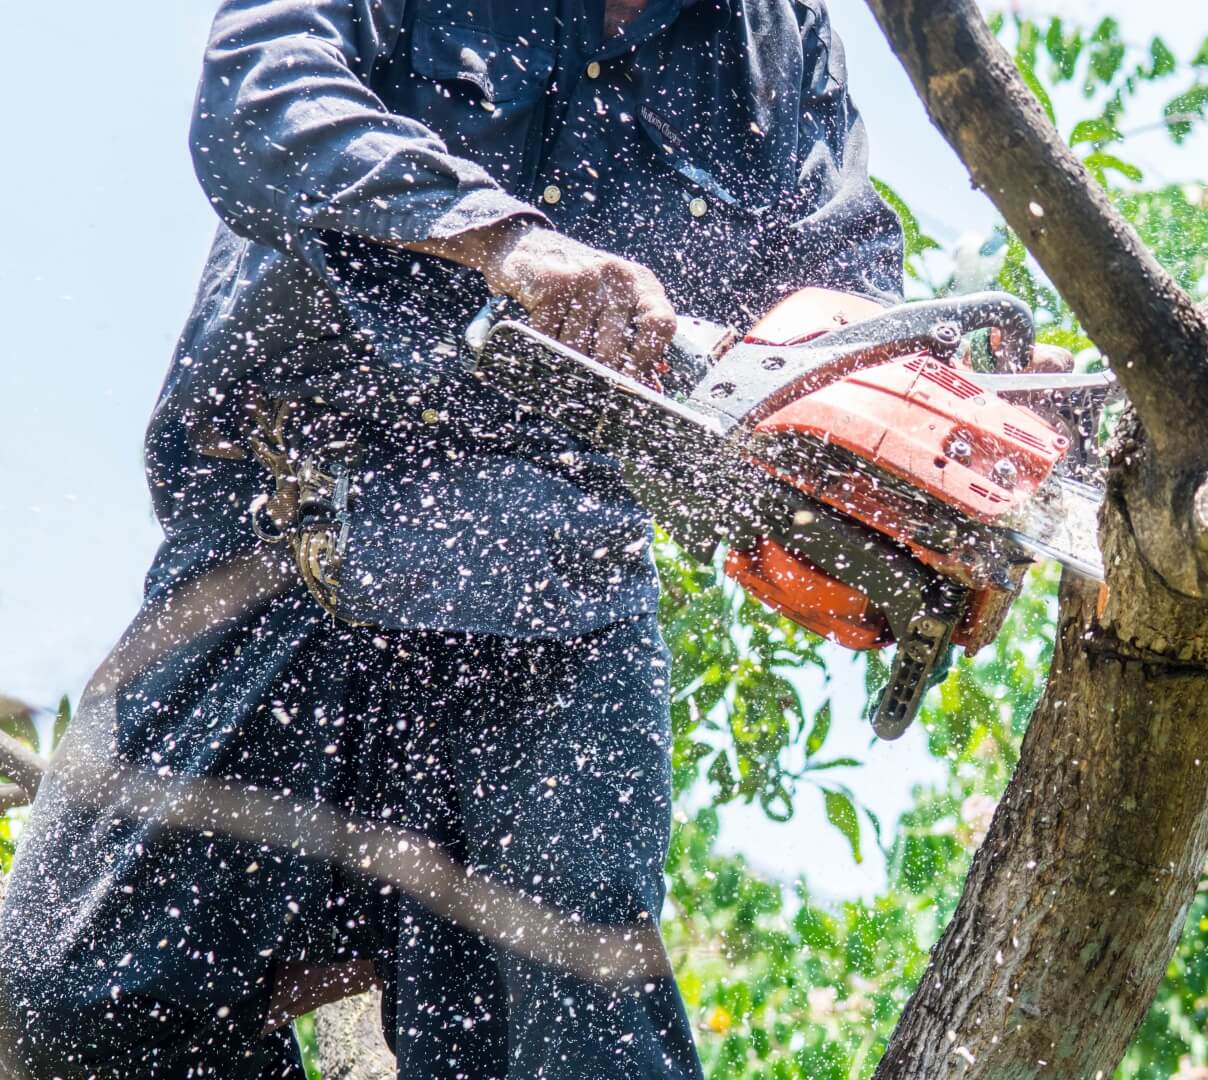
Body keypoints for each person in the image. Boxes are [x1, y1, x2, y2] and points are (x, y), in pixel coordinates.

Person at [0, 0, 902, 1075]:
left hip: (555, 586)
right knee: (68, 999)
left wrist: (911, 480)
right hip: (292, 535)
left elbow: (840, 289)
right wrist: (501, 239)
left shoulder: (772, 36)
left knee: (573, 1034)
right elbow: (259, 95)